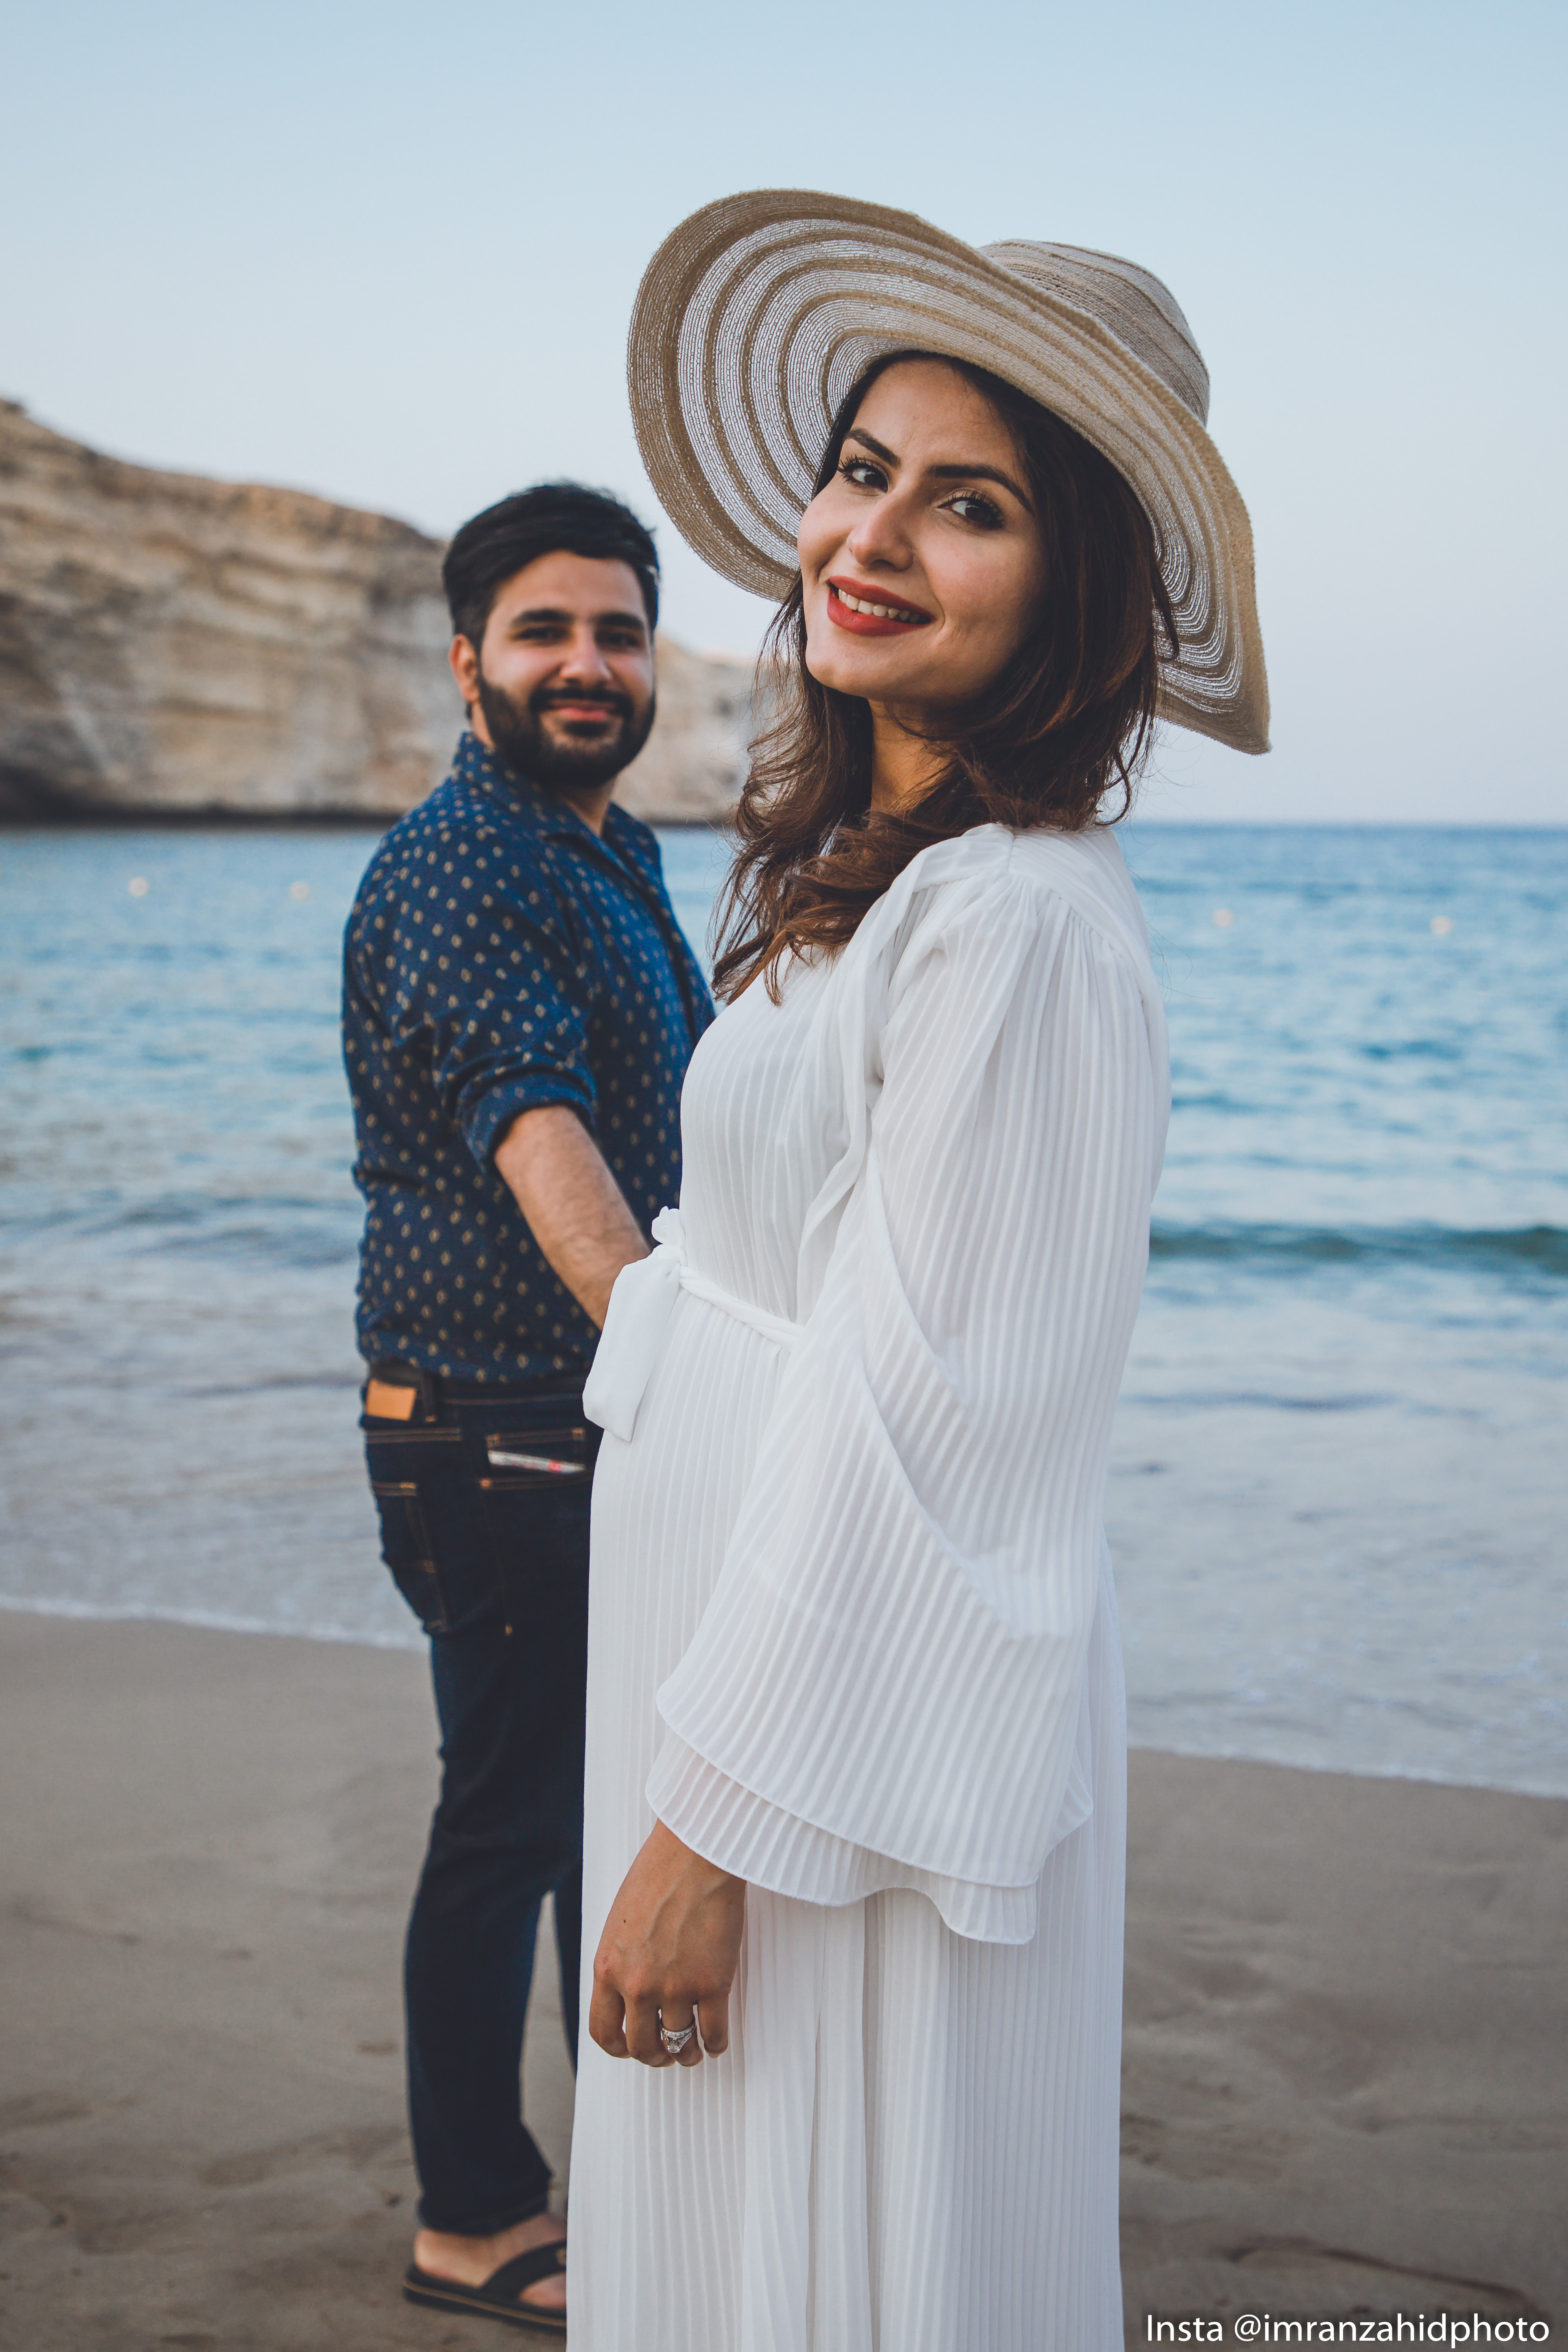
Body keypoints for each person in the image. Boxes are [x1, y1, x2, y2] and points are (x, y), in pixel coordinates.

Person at [570, 194, 1269, 2351]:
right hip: (738, 1659)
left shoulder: (1019, 925)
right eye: (862, 470)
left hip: (828, 1747)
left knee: (839, 2255)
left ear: (1076, 584)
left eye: (970, 505)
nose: (870, 537)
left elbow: (937, 1430)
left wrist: (710, 1831)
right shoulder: (865, 883)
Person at [340, 481, 714, 2334]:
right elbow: (546, 1149)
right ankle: (475, 2216)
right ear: (467, 659)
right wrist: (698, 1379)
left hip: (574, 1418)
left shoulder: (604, 847)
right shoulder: (462, 862)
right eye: (545, 631)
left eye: (618, 632)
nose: (587, 664)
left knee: (581, 1821)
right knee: (511, 1822)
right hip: (501, 1427)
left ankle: (618, 2182)